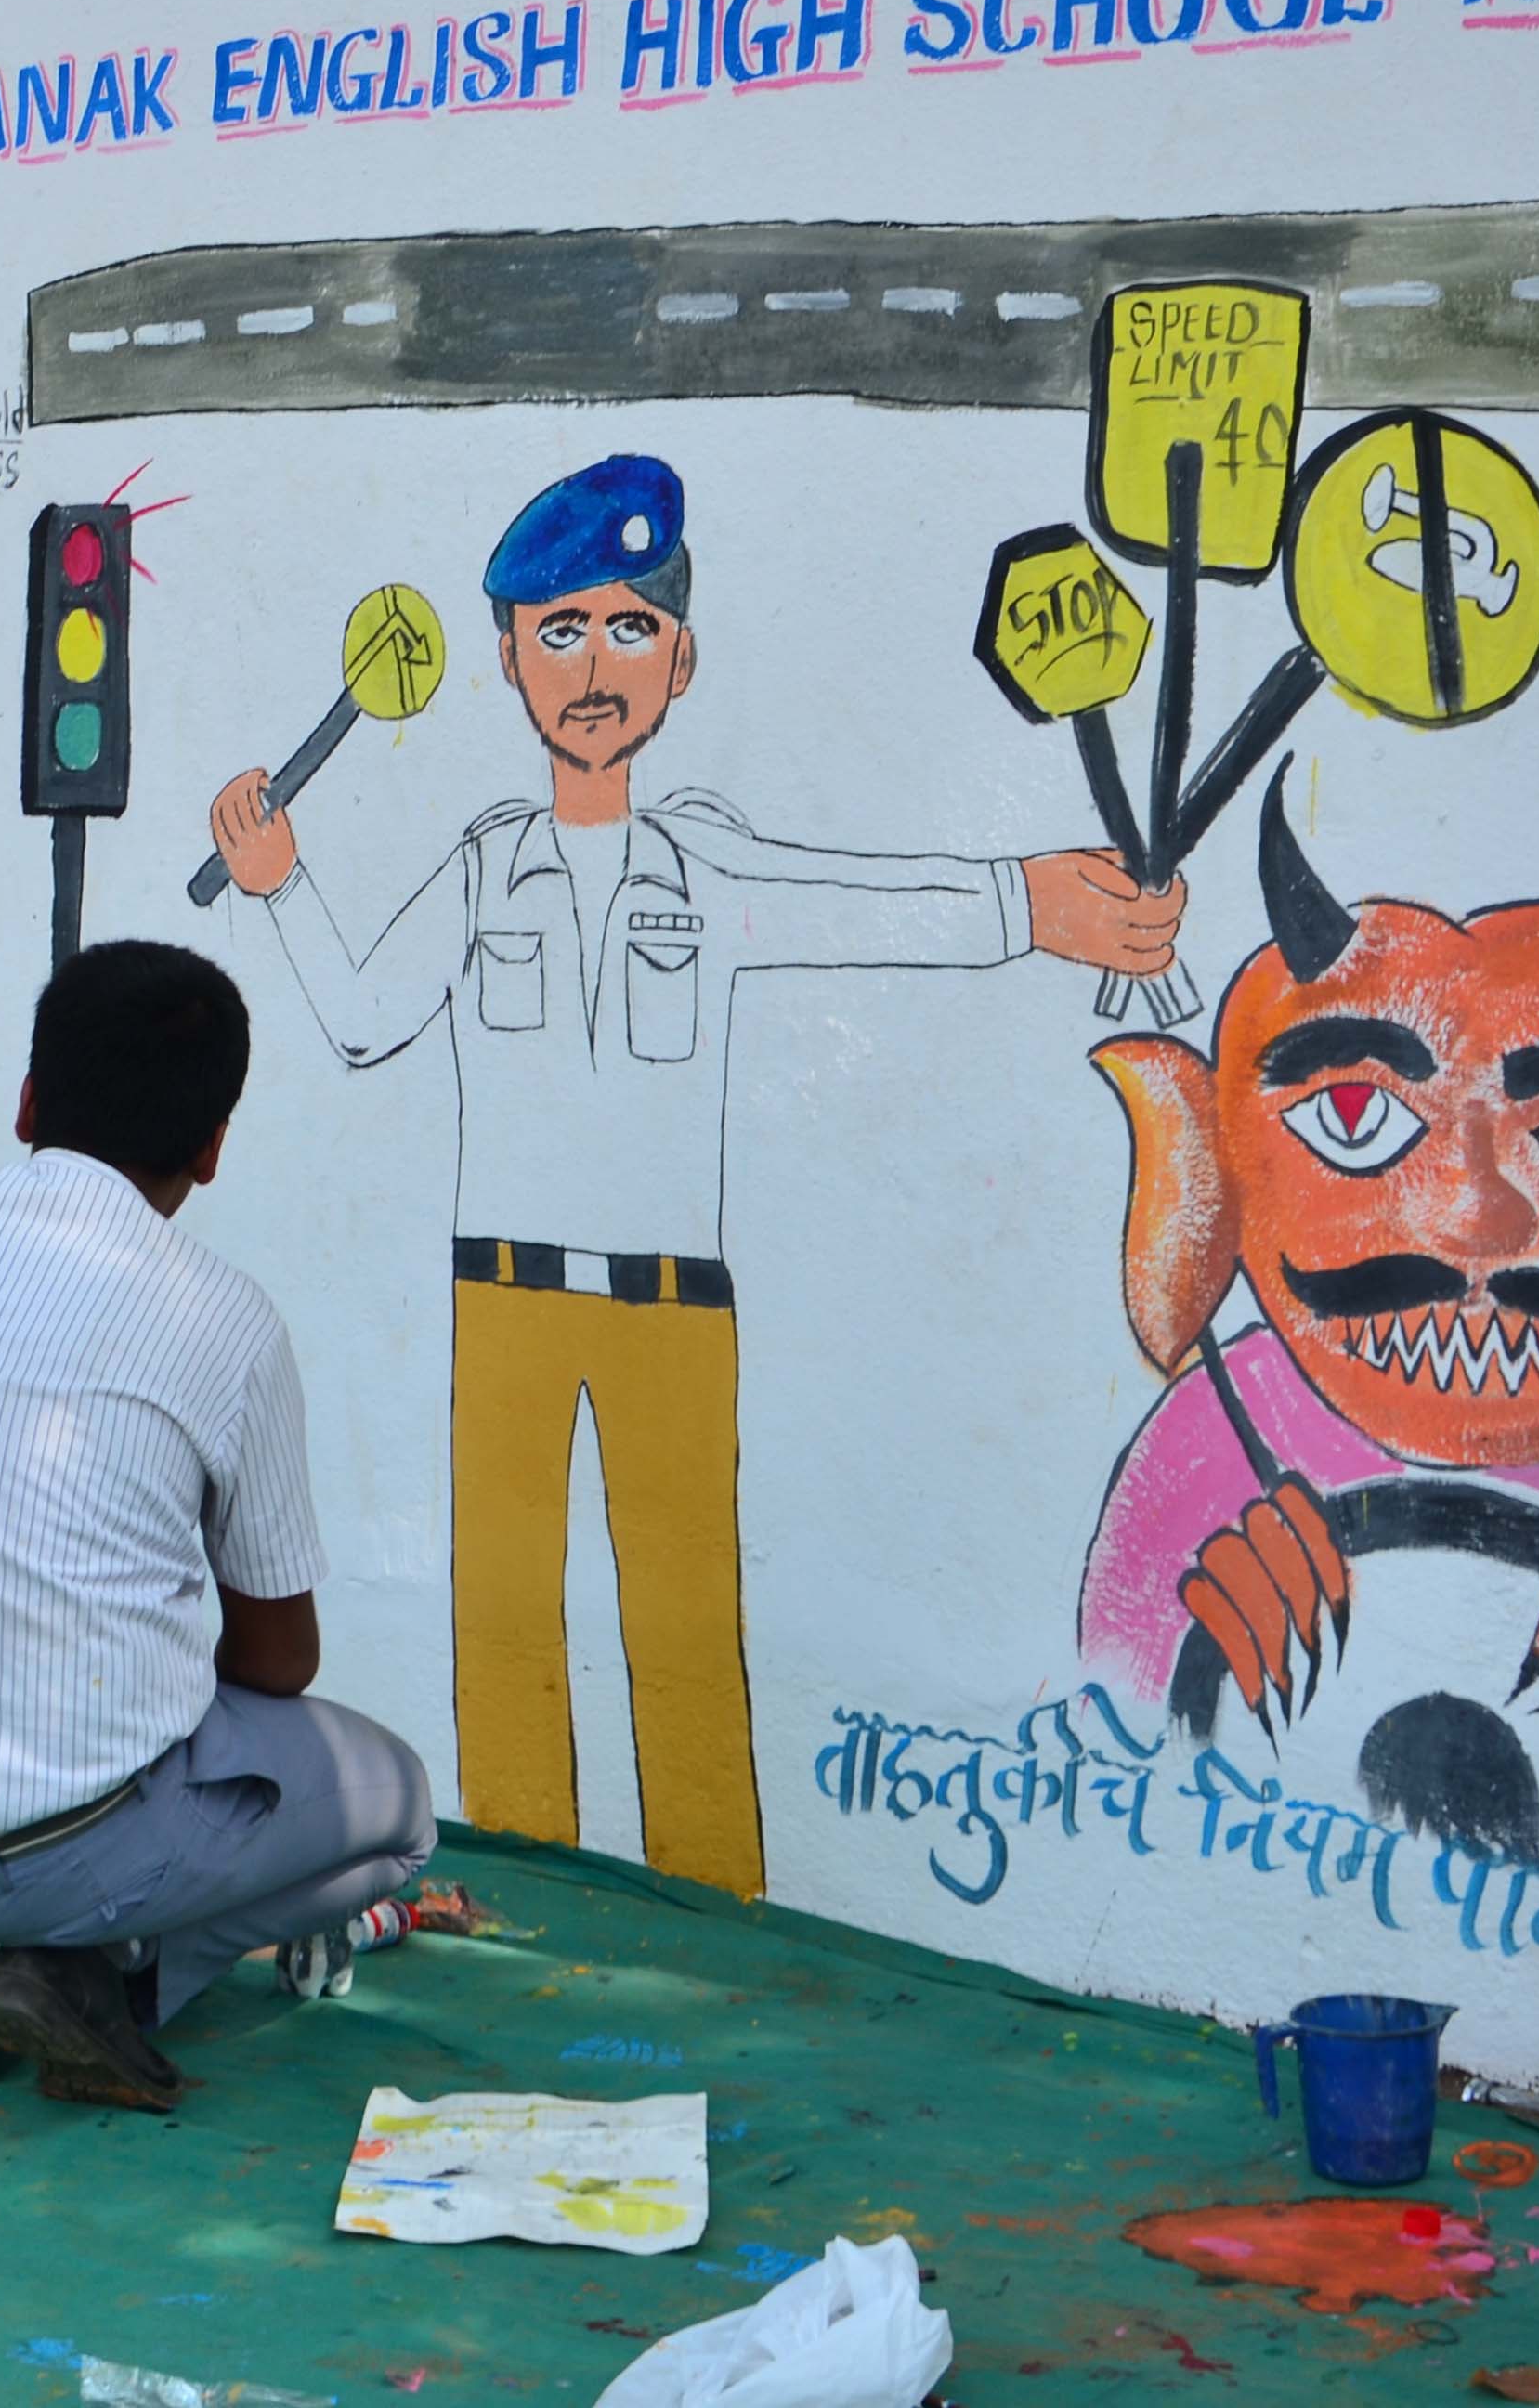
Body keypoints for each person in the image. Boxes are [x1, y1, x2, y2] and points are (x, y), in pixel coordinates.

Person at [202, 452, 1184, 1898]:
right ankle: (516, 1899)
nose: (594, 667)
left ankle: (722, 1915)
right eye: (560, 632)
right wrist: (283, 883)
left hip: (673, 1310)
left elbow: (859, 907)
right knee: (507, 1627)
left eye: (629, 627)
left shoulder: (704, 866)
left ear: (681, 658)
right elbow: (361, 1020)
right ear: (507, 661)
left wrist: (1031, 904)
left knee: (684, 1635)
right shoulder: (485, 869)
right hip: (504, 1302)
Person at [0, 939, 435, 2109]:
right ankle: (108, 1977)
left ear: (26, 1103)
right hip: (69, 1859)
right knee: (402, 1815)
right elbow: (279, 1662)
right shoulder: (228, 1321)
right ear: (210, 1150)